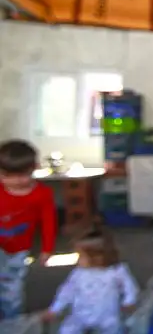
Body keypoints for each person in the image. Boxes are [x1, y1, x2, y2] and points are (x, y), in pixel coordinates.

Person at [42, 225, 139, 334]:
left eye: (81, 256)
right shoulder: (78, 273)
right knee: (67, 330)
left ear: (96, 256)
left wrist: (129, 301)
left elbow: (129, 286)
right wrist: (55, 309)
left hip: (107, 315)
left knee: (113, 328)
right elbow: (66, 292)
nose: (78, 260)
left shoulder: (116, 271)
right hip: (80, 315)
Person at [0, 140, 57, 320]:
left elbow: (49, 222)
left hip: (18, 250)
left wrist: (47, 248)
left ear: (34, 168)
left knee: (12, 287)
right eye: (6, 175)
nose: (15, 181)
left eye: (21, 175)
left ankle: (11, 321)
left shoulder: (42, 194)